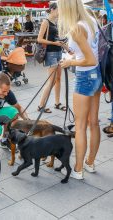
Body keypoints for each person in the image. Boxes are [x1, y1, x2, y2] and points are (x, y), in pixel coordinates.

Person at [58, 0, 101, 179]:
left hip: (85, 77)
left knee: (81, 126)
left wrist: (70, 62)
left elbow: (89, 59)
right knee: (94, 122)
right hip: (97, 75)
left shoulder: (76, 28)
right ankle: (89, 163)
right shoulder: (91, 21)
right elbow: (90, 52)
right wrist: (76, 55)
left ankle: (78, 169)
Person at [37, 2, 65, 113]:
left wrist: (67, 48)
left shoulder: (56, 22)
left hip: (58, 52)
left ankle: (57, 103)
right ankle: (41, 105)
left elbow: (57, 39)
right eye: (59, 10)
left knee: (58, 79)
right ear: (52, 9)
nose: (60, 13)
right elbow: (39, 39)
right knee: (52, 81)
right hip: (51, 54)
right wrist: (54, 43)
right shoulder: (46, 22)